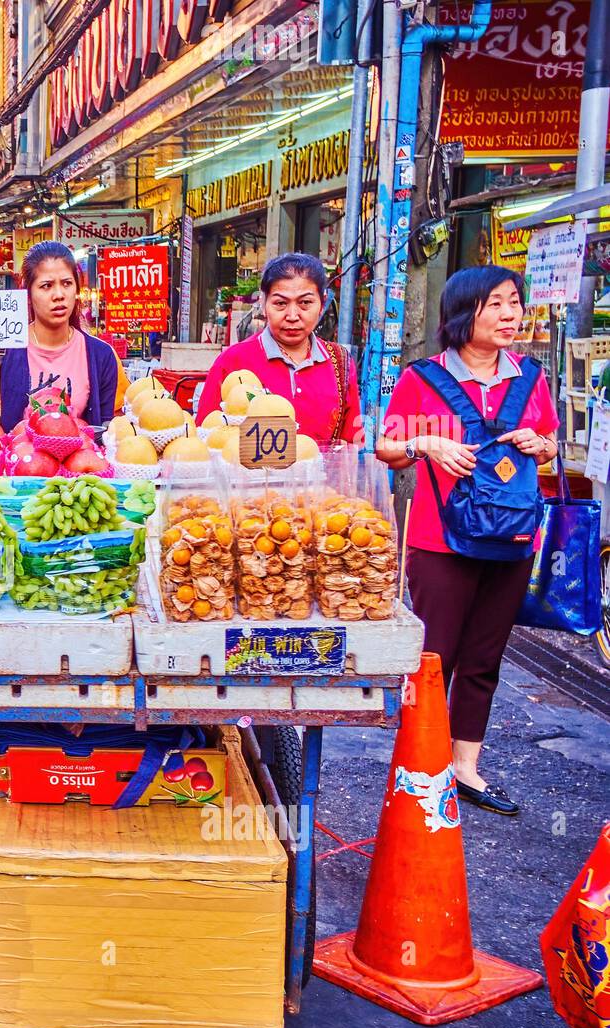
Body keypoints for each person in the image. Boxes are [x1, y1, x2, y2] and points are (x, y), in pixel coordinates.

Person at [376, 265, 558, 818]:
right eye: (496, 304)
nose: (510, 315)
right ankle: (417, 763)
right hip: (439, 541)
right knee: (435, 656)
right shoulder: (423, 378)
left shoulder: (531, 376)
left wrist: (541, 443)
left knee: (484, 657)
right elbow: (386, 446)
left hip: (513, 537)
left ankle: (465, 766)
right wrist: (427, 442)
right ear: (464, 313)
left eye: (514, 303)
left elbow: (550, 443)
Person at [196, 252, 363, 446]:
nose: (292, 315)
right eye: (280, 303)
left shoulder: (340, 363)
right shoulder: (233, 361)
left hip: (321, 477)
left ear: (322, 304)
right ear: (264, 304)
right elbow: (206, 438)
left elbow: (352, 444)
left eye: (305, 303)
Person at [0, 240, 119, 430]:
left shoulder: (101, 356)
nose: (59, 294)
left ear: (76, 289)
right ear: (28, 293)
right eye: (46, 286)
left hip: (80, 459)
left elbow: (104, 430)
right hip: (11, 458)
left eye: (67, 283)